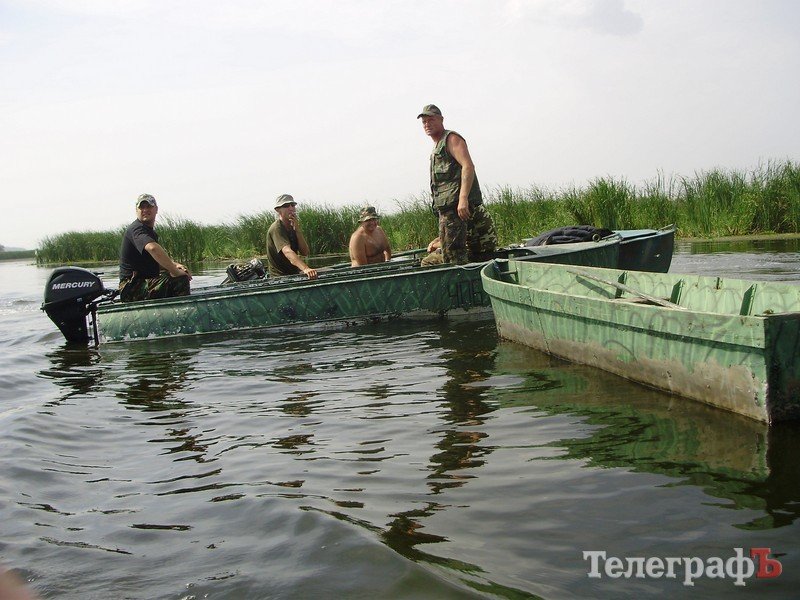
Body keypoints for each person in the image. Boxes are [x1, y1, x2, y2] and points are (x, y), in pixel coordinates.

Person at [418, 104, 497, 265]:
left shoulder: (451, 139)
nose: (427, 124)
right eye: (424, 121)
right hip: (447, 211)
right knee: (449, 254)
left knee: (454, 258)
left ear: (441, 120)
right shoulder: (437, 147)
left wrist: (463, 199)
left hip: (457, 208)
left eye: (431, 120)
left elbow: (468, 166)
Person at [119, 193, 192, 302]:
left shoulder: (148, 231)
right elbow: (153, 248)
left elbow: (153, 262)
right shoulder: (137, 229)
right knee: (180, 279)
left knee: (175, 274)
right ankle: (184, 312)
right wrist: (175, 271)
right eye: (141, 207)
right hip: (131, 288)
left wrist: (176, 266)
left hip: (141, 283)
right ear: (136, 210)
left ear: (156, 209)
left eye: (149, 206)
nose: (145, 210)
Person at [266, 194, 318, 279]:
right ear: (278, 210)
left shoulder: (292, 226)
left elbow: (305, 252)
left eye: (293, 205)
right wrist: (305, 269)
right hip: (280, 278)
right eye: (286, 206)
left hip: (294, 274)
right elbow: (287, 252)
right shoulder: (277, 228)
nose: (291, 208)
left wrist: (297, 230)